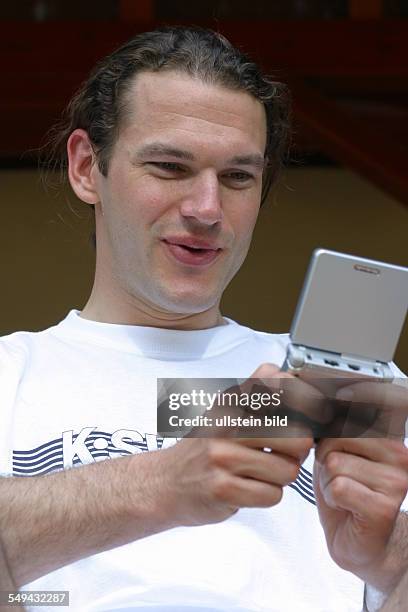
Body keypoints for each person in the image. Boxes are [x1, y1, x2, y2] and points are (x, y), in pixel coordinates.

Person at [0, 26, 407, 612]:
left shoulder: (356, 388)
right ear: (88, 167)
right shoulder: (12, 373)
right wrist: (165, 484)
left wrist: (391, 560)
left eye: (239, 177)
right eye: (169, 166)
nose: (207, 209)